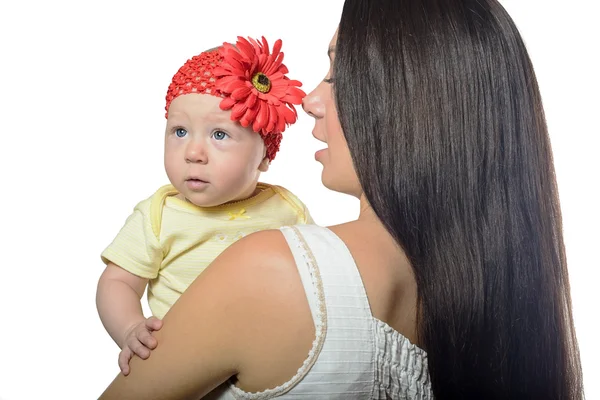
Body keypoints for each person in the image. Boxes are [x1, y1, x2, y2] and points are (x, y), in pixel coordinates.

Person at [99, 0, 584, 398]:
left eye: (336, 74)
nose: (309, 99)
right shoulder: (495, 305)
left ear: (408, 100)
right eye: (179, 131)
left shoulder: (275, 266)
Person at [96, 36, 313, 376]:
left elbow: (318, 282)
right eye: (179, 131)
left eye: (219, 135)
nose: (193, 153)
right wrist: (129, 328)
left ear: (264, 156)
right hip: (183, 365)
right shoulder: (160, 214)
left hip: (268, 366)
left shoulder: (287, 211)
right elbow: (117, 283)